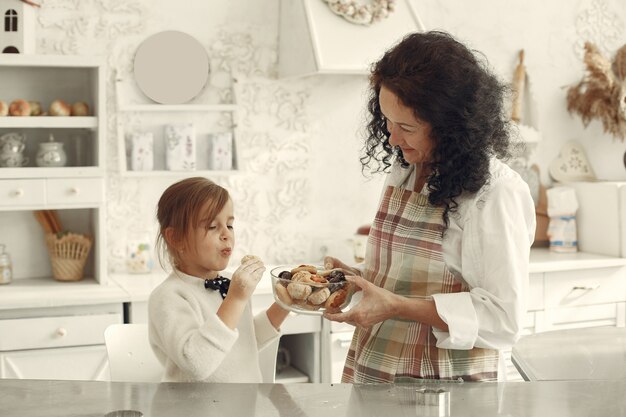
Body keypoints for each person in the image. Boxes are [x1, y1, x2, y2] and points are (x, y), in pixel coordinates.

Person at [323, 31, 536, 383]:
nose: (391, 138)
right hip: (379, 369)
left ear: (451, 128)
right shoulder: (407, 167)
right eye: (387, 121)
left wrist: (396, 307)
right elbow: (410, 276)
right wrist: (358, 277)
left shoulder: (495, 193)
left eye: (405, 127)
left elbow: (503, 320)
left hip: (444, 387)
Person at [148, 177, 289, 382]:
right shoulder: (169, 297)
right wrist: (236, 299)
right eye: (213, 227)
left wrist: (284, 304)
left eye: (230, 225)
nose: (226, 235)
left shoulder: (232, 284)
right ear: (176, 238)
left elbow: (245, 343)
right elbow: (196, 363)